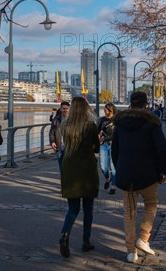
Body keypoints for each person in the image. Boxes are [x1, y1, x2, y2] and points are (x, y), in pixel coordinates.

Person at [111, 91, 166, 263]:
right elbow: (162, 149)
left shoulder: (120, 124)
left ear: (131, 104)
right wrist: (165, 170)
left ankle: (131, 252)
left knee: (129, 213)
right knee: (151, 205)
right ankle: (143, 239)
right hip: (148, 175)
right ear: (146, 104)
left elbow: (115, 150)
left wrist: (120, 169)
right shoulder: (151, 123)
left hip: (126, 176)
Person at [57, 97, 99, 258]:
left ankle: (64, 235)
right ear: (85, 108)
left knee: (73, 208)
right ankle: (85, 241)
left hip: (69, 169)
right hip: (87, 170)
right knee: (88, 209)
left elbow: (65, 145)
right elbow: (96, 147)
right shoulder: (90, 126)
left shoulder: (65, 125)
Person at [97, 103, 117, 194]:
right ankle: (107, 178)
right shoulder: (101, 120)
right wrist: (98, 136)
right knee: (103, 167)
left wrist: (104, 138)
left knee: (113, 167)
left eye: (105, 109)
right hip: (103, 145)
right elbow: (97, 131)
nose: (104, 111)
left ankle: (113, 187)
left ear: (111, 110)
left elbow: (116, 134)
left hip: (114, 145)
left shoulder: (117, 120)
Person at [49, 101, 70, 169]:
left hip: (69, 146)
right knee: (61, 166)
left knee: (68, 166)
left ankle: (67, 178)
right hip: (59, 145)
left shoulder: (72, 120)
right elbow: (51, 132)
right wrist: (52, 142)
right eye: (63, 108)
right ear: (60, 109)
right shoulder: (56, 119)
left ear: (69, 109)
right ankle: (64, 179)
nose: (65, 110)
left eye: (66, 108)